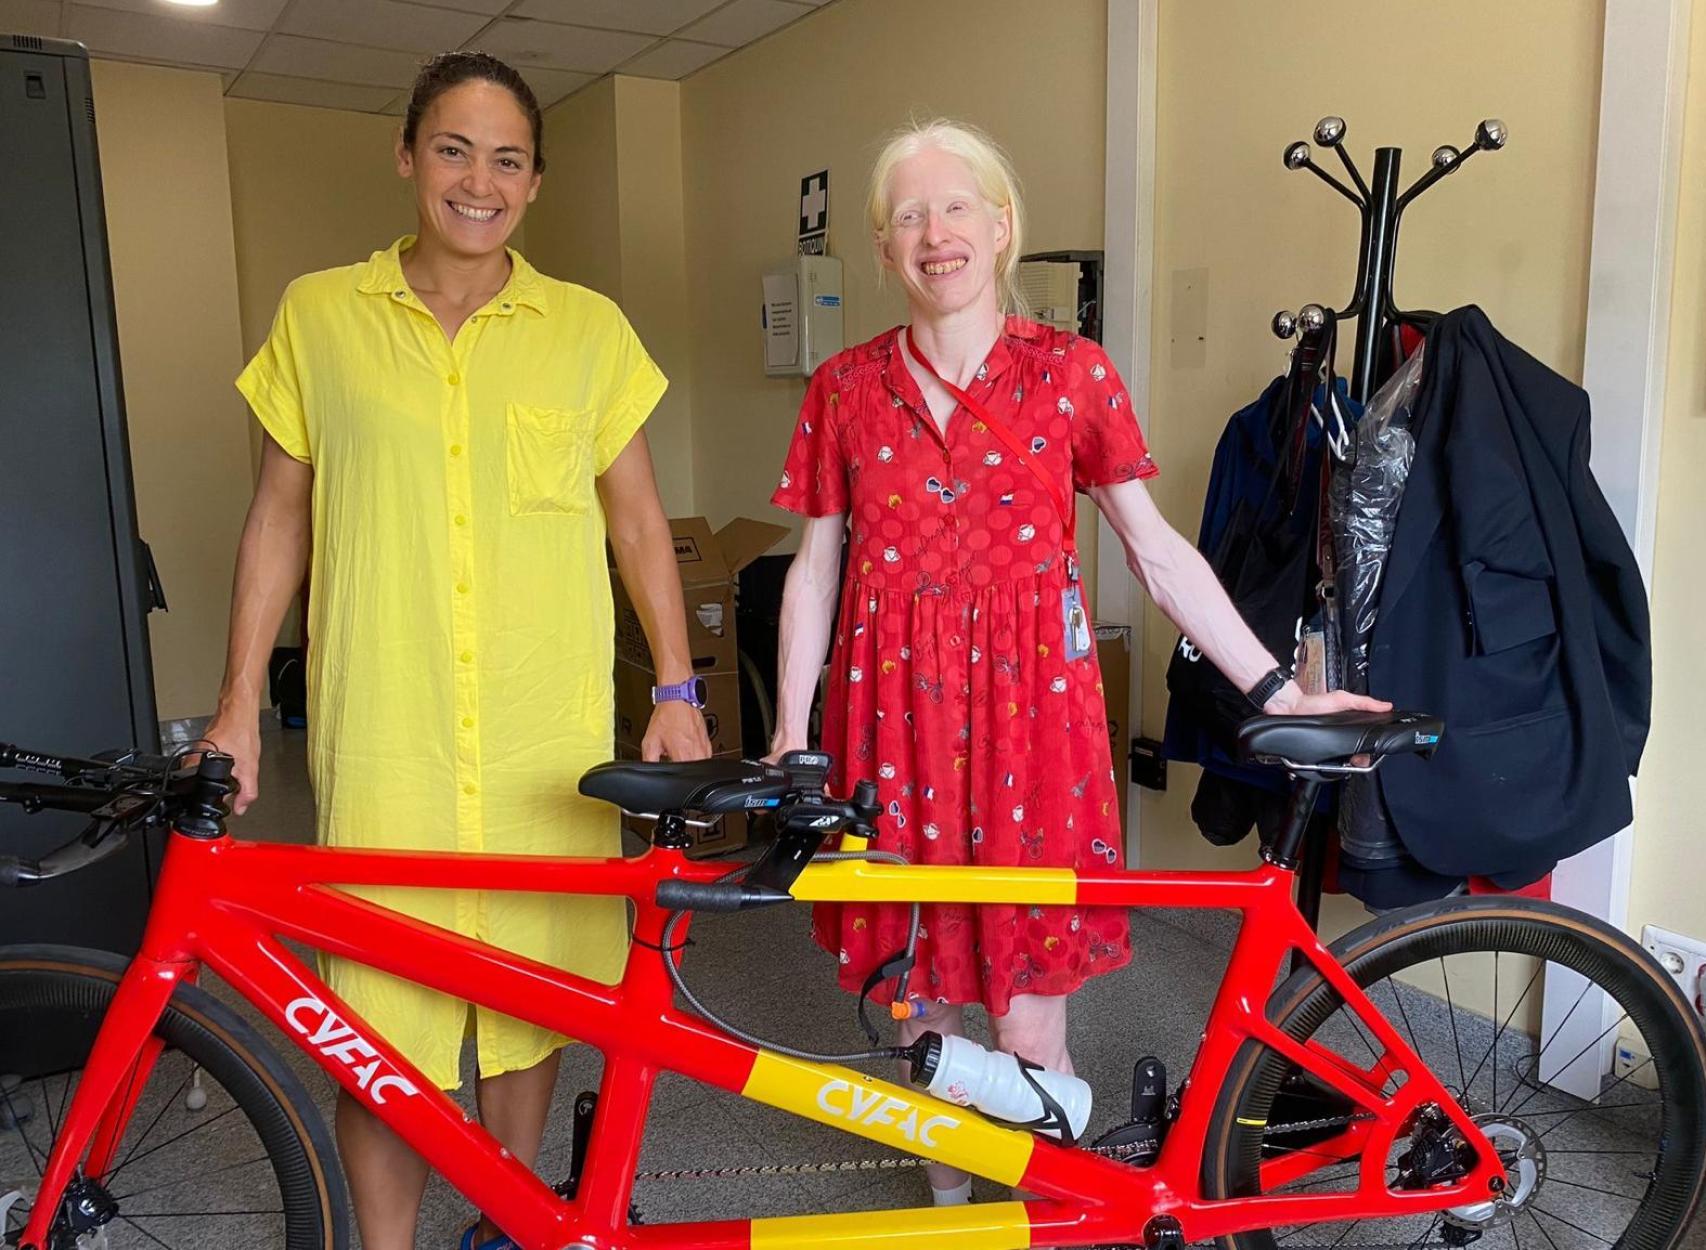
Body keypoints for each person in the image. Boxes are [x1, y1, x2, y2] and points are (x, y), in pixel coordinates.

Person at [767, 119, 1386, 1206]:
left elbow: (1156, 552)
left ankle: (1054, 1200)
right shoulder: (842, 390)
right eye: (907, 214)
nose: (934, 232)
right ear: (880, 248)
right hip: (890, 720)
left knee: (1025, 991)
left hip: (1029, 721)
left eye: (954, 206)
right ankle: (951, 1195)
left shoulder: (1071, 376)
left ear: (1000, 228)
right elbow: (815, 570)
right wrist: (786, 733)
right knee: (913, 989)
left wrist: (1279, 687)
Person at [205, 51, 711, 1250]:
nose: (477, 181)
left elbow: (638, 522)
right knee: (378, 1026)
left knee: (529, 1005)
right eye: (452, 149)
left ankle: (509, 1217)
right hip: (391, 727)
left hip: (542, 734)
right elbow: (279, 515)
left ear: (535, 180)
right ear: (406, 156)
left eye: (506, 158)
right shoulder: (318, 312)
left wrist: (679, 689)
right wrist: (234, 704)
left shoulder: (587, 329)